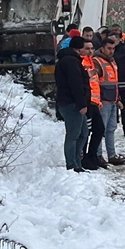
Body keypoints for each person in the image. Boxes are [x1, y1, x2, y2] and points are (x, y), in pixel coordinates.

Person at [53, 37, 91, 172]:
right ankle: (72, 165)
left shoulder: (69, 60)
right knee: (74, 135)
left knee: (83, 133)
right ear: (79, 48)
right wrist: (82, 104)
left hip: (70, 102)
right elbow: (76, 84)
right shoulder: (71, 61)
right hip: (71, 103)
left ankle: (76, 163)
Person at [96, 37, 125, 165]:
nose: (111, 51)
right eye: (109, 48)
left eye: (113, 48)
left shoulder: (112, 62)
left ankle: (111, 154)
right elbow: (94, 83)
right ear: (102, 48)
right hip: (103, 101)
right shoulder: (97, 61)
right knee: (100, 130)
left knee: (111, 129)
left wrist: (117, 98)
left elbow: (114, 83)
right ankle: (98, 155)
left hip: (112, 100)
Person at [80, 40, 107, 170]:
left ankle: (91, 156)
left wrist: (98, 100)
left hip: (94, 102)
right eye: (87, 49)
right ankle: (84, 157)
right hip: (88, 102)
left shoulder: (91, 61)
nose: (90, 51)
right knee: (87, 131)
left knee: (99, 129)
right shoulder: (82, 62)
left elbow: (95, 83)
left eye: (91, 48)